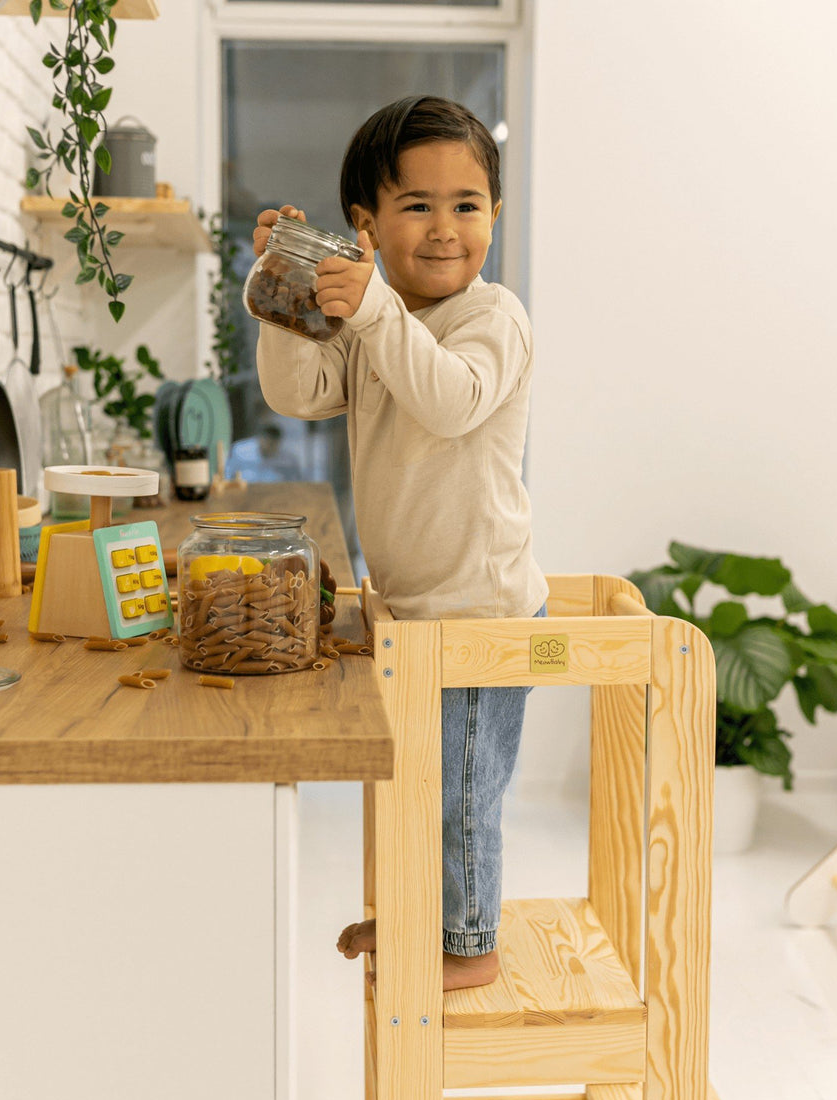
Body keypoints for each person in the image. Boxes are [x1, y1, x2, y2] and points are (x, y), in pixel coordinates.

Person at [252, 95, 547, 991]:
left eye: (468, 204)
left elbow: (450, 399)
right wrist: (284, 297)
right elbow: (300, 392)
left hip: (480, 608)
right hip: (417, 607)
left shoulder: (493, 319)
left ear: (496, 214)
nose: (445, 228)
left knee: (462, 786)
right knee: (420, 778)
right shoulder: (374, 324)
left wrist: (375, 311)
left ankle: (466, 944)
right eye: (416, 205)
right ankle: (428, 911)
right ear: (366, 226)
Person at [224, 423, 303, 483]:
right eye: (269, 443)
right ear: (260, 439)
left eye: (274, 444)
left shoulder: (287, 459)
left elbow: (297, 480)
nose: (271, 447)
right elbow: (227, 473)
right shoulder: (240, 451)